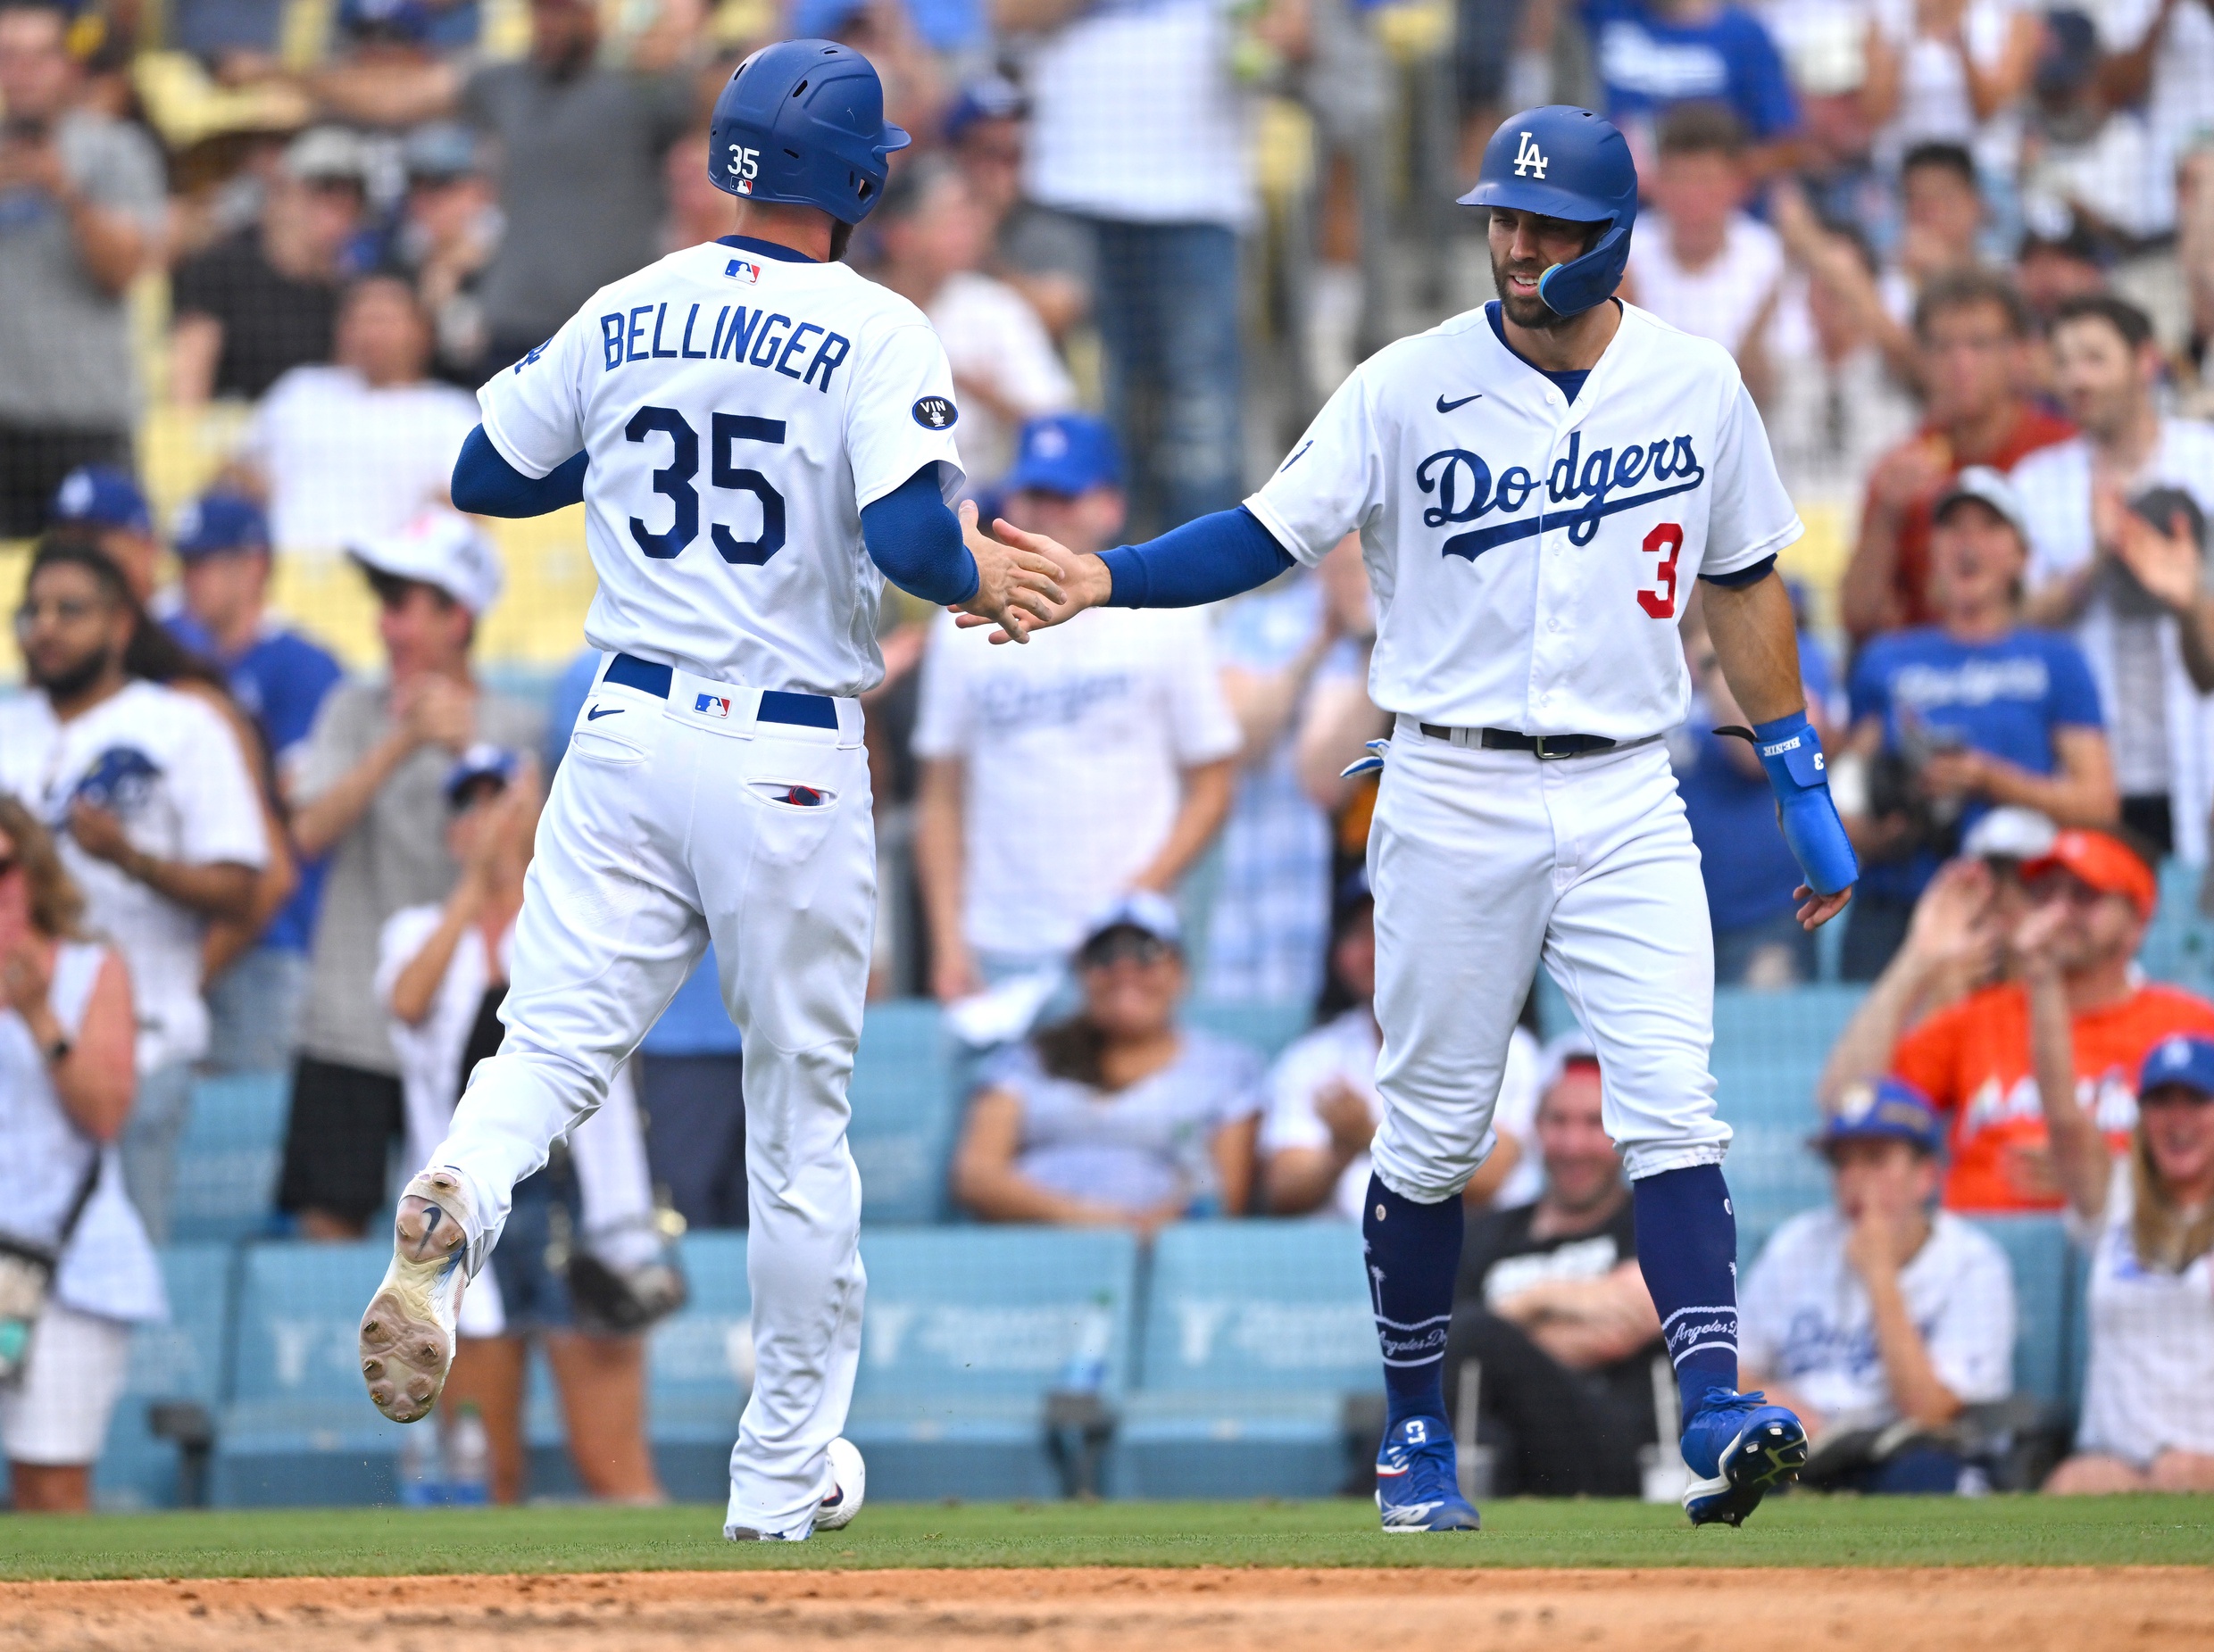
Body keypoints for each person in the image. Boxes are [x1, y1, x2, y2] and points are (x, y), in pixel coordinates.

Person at [975, 106, 1860, 1531]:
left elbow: (1745, 582)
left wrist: (1803, 778)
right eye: (1503, 219)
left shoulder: (1697, 382)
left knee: (1673, 1102)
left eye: (1549, 224)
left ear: (1613, 238)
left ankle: (1710, 1400)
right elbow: (1272, 529)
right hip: (1450, 781)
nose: (1516, 246)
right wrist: (1108, 576)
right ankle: (1413, 1435)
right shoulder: (1407, 381)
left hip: (1631, 776)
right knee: (1435, 1133)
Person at [354, 41, 1062, 1546]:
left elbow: (486, 471)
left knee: (545, 1046)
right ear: (863, 180)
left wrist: (623, 457)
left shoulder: (630, 300)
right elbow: (924, 554)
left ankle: (462, 1200)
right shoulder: (878, 327)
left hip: (620, 727)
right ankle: (778, 1480)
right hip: (783, 748)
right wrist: (981, 563)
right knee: (798, 1124)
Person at [377, 748, 668, 1506]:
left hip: (581, 1204)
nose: (490, 819)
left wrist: (539, 852)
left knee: (611, 1461)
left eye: (502, 799)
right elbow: (407, 1003)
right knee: (483, 1466)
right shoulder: (417, 929)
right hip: (467, 1209)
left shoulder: (579, 917)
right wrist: (477, 885)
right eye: (471, 805)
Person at [279, 512, 541, 1240]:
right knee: (328, 1228)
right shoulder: (350, 710)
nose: (385, 626)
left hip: (474, 1023)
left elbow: (536, 865)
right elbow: (308, 832)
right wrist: (404, 741)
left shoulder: (515, 727)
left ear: (457, 617)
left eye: (401, 604)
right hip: (349, 1022)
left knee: (470, 1237)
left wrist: (473, 749)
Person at [914, 412, 1239, 996]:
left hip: (1129, 941)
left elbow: (1213, 783)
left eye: (1066, 495)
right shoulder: (958, 622)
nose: (1046, 511)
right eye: (1034, 493)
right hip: (1001, 943)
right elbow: (940, 795)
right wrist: (947, 942)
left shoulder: (1168, 614)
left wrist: (1136, 894)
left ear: (1110, 507)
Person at [0, 540, 270, 1243]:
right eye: (32, 611)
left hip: (142, 1044)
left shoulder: (182, 726)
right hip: (12, 1051)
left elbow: (244, 889)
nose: (46, 627)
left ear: (122, 625)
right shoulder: (8, 726)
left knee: (113, 1277)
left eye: (70, 610)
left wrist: (132, 858)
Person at [1833, 827, 2214, 1212]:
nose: (2059, 911)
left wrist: (2101, 1175)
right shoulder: (1980, 1016)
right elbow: (1846, 1101)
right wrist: (1917, 960)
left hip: (2137, 1253)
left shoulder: (2190, 1025)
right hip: (1976, 1255)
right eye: (2045, 893)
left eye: (2084, 895)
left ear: (2138, 920)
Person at [307, 0, 696, 374]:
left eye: (564, 11)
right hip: (519, 326)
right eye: (542, 10)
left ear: (594, 16)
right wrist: (282, 74)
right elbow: (396, 99)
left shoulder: (639, 88)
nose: (550, 23)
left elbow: (715, 103)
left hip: (619, 331)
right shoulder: (504, 82)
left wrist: (675, 49)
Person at [1836, 468, 2116, 975]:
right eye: (1952, 528)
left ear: (2020, 555)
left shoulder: (2057, 661)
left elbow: (2099, 804)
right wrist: (1892, 821)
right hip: (1899, 901)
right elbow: (1843, 797)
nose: (1968, 543)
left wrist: (1987, 778)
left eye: (1989, 527)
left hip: (2013, 909)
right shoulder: (1887, 660)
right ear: (1933, 550)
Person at [1002, 0, 1261, 531]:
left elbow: (1294, 36)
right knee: (1095, 397)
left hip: (1197, 188)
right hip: (1073, 183)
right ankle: (1098, 582)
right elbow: (1006, 13)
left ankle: (1204, 584)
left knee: (1200, 405)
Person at [0, 797, 163, 1514]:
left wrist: (39, 1016)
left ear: (32, 870)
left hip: (64, 1264)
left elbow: (105, 1112)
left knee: (52, 1483)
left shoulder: (91, 968)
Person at [1739, 1079, 2016, 1493]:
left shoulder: (1972, 1264)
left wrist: (1880, 1277)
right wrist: (1767, 1401)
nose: (1855, 1179)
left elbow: (1929, 1413)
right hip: (1805, 1452)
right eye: (1842, 1163)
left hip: (1908, 1454)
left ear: (1925, 1176)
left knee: (1924, 1479)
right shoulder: (1796, 1245)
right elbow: (1725, 1372)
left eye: (1875, 1159)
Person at [2016, 295, 2214, 861]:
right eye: (2063, 362)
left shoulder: (2207, 462)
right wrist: (2100, 559)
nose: (2076, 378)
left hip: (2200, 756)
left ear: (2146, 362)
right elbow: (2018, 622)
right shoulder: (2037, 481)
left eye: (2095, 359)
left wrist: (2186, 597)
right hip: (2089, 770)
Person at [165, 489, 345, 1073]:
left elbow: (294, 808)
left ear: (256, 565)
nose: (192, 579)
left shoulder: (304, 665)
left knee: (253, 1136)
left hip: (274, 941)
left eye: (208, 563)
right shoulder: (163, 650)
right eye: (187, 563)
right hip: (172, 931)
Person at [951, 895, 1263, 1230]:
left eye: (1147, 953)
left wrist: (1162, 1225)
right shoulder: (1030, 1057)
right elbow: (977, 1175)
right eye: (1104, 954)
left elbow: (1220, 1192)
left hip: (1158, 1261)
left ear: (1180, 973)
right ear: (1082, 974)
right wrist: (1093, 1223)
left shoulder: (1226, 1068)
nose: (1124, 970)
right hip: (1031, 1254)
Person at [1440, 1036, 1666, 1498]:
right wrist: (1576, 1308)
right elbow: (1449, 1351)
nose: (1573, 1144)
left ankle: (1361, 1497)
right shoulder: (1487, 1234)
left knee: (1477, 1336)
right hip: (1498, 1440)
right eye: (1558, 1122)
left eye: (1594, 1124)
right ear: (1536, 1129)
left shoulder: (1650, 1222)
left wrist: (1525, 1307)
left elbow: (1627, 1324)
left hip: (1607, 1440)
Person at [1261, 876, 1544, 1217]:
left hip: (1475, 1254)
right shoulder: (1309, 1059)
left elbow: (1488, 1179)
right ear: (1340, 957)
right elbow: (1284, 1190)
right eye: (1362, 933)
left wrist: (1367, 1134)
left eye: (1395, 928)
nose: (1377, 949)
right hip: (1349, 1257)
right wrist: (1339, 1153)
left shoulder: (1508, 1049)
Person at [0, 0, 163, 539]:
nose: (22, 74)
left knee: (103, 594)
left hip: (87, 423)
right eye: (8, 56)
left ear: (68, 66)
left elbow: (121, 271)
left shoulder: (115, 150)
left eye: (40, 56)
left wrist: (65, 191)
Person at [1841, 271, 2075, 645]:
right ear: (1920, 358)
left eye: (1979, 344)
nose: (1960, 363)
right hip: (1936, 676)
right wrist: (1885, 517)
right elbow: (1857, 618)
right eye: (1942, 347)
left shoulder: (2064, 451)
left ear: (2019, 354)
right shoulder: (1900, 469)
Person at [2040, 1033, 2214, 1493]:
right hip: (2113, 1464)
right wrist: (2041, 978)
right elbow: (2062, 1116)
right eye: (2161, 1102)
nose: (2178, 1120)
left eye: (2196, 1100)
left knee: (2185, 1478)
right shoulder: (2115, 1197)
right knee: (2070, 1485)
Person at [1201, 535, 1367, 1008]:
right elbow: (1237, 741)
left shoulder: (1438, 619)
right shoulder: (1261, 622)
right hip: (1282, 917)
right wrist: (1324, 641)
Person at [869, 156, 1074, 489]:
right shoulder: (855, 304)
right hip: (869, 499)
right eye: (953, 222)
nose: (969, 234)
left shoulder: (995, 307)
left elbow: (1060, 429)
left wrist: (989, 396)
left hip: (984, 505)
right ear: (900, 235)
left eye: (970, 221)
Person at [237, 274, 481, 553]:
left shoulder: (451, 413)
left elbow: (469, 512)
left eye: (383, 321)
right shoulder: (300, 390)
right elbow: (237, 475)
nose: (370, 333)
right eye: (358, 320)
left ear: (422, 331)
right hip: (285, 572)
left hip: (392, 579)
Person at [1674, 600, 1838, 986]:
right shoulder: (1637, 655)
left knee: (1766, 1045)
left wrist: (1712, 651)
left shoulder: (1778, 643)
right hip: (1662, 923)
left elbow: (1775, 755)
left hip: (1764, 921)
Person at [169, 126, 370, 404]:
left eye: (349, 197)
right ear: (284, 194)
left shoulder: (353, 292)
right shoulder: (225, 268)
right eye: (320, 191)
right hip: (230, 434)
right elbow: (189, 376)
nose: (333, 207)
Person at [1621, 103, 1787, 400]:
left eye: (1706, 182)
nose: (1693, 198)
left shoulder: (1767, 257)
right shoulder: (1625, 253)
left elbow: (1775, 389)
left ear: (1738, 185)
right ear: (1657, 182)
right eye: (1681, 180)